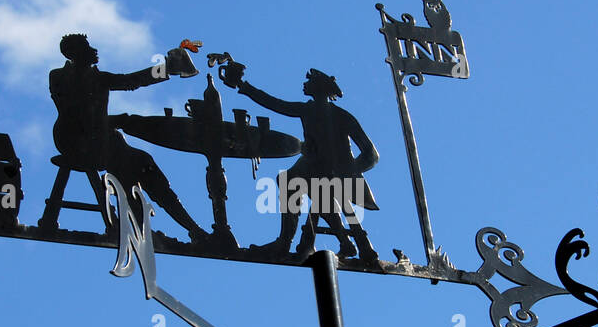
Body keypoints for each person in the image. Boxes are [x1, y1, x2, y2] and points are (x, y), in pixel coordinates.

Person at [49, 33, 208, 243]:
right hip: (76, 141)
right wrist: (118, 120)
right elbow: (78, 115)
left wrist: (166, 68)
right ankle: (147, 229)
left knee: (144, 165)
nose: (92, 50)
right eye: (85, 47)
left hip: (101, 140)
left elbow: (130, 82)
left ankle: (191, 228)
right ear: (72, 53)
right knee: (130, 167)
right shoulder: (61, 77)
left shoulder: (97, 77)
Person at [221, 65, 379, 261]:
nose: (304, 84)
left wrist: (347, 170)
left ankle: (328, 242)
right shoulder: (307, 109)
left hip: (330, 171)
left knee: (311, 189)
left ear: (319, 87)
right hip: (313, 166)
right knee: (290, 181)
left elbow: (371, 155)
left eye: (309, 81)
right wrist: (243, 86)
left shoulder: (342, 116)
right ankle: (291, 240)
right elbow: (275, 104)